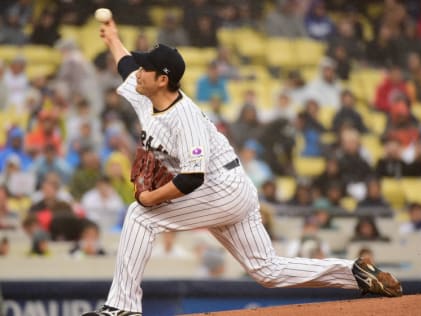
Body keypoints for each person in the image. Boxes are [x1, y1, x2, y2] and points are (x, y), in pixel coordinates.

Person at [82, 18, 402, 316]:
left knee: (140, 216)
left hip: (220, 188)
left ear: (162, 79)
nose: (139, 72)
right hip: (229, 186)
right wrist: (113, 39)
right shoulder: (144, 93)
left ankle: (121, 308)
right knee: (267, 272)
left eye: (146, 68)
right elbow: (126, 66)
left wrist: (152, 199)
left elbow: (192, 177)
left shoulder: (185, 118)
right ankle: (355, 274)